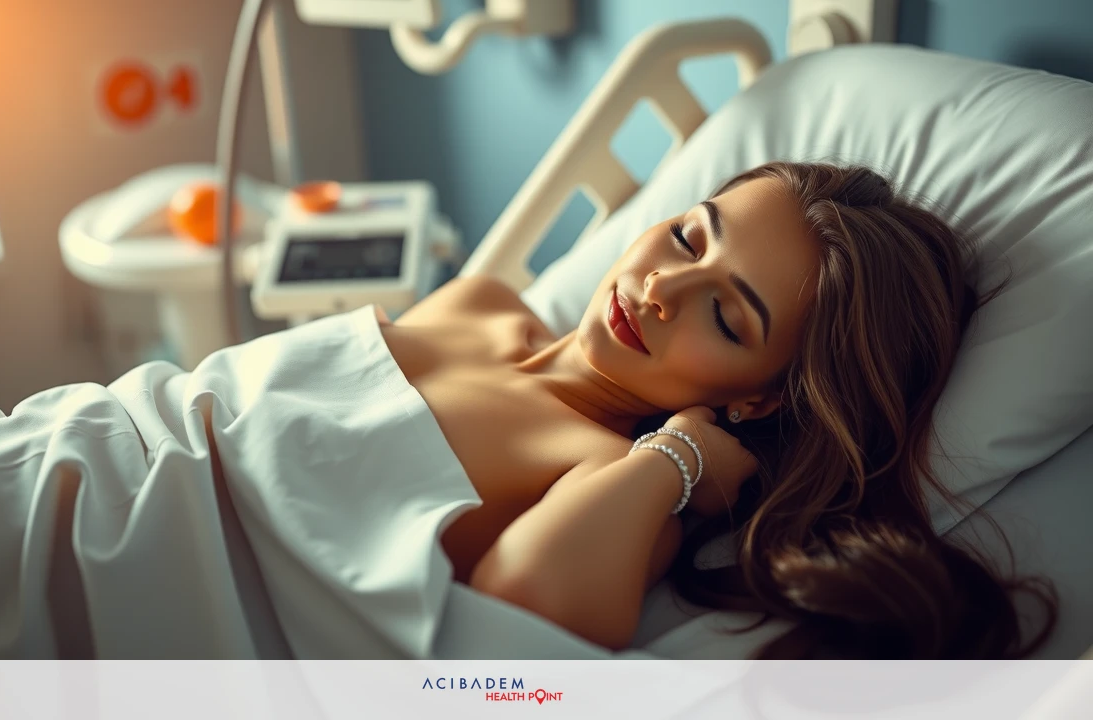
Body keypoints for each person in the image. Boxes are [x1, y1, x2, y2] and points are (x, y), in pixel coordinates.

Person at [386, 160, 1056, 657]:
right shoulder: (477, 301)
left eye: (727, 319)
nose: (662, 287)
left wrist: (677, 456)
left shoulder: (609, 478)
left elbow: (515, 632)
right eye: (686, 238)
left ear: (757, 397)